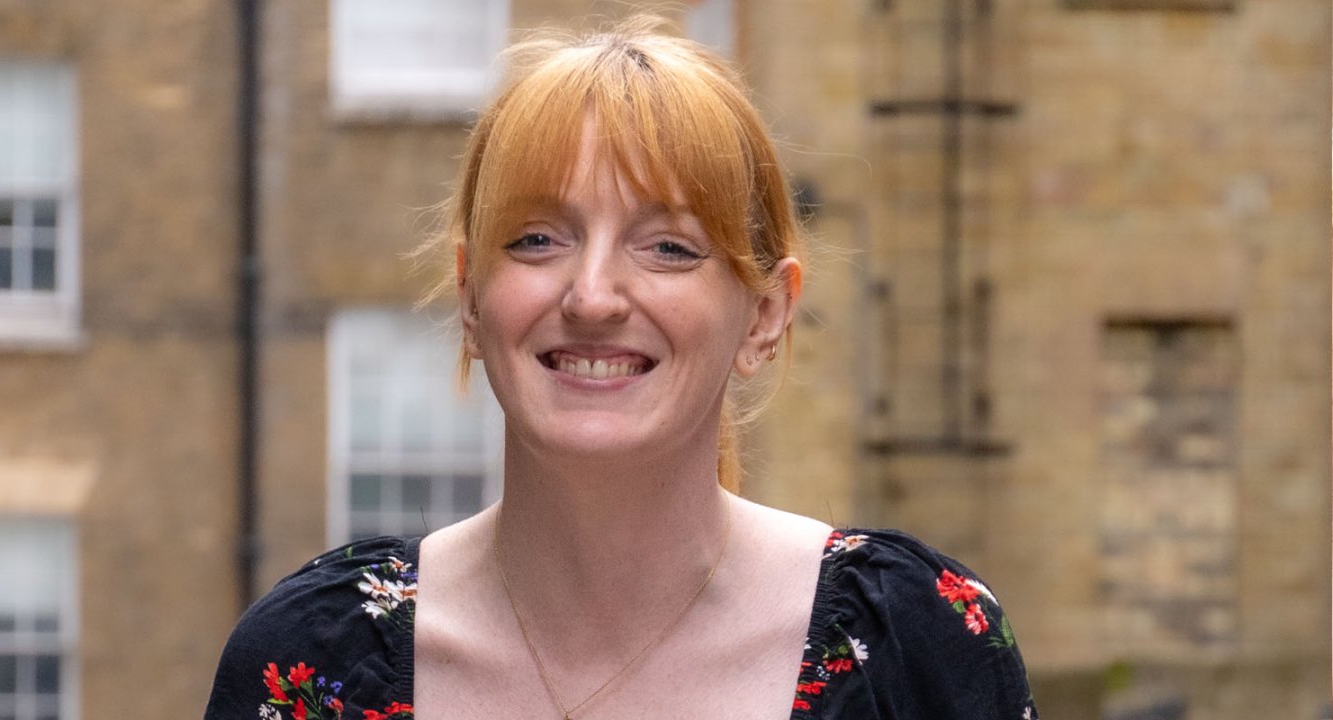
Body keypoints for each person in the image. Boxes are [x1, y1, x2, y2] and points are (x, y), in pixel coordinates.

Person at [205, 16, 1037, 720]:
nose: (594, 295)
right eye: (538, 239)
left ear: (766, 313)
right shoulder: (316, 665)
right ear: (469, 298)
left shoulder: (914, 653)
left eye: (668, 247)